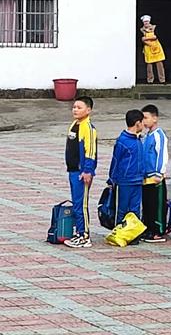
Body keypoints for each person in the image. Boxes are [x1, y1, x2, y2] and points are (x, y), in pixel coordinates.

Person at [64, 96, 97, 249]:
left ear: (88, 110)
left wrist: (88, 170)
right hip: (72, 171)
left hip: (81, 172)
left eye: (79, 107)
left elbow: (90, 151)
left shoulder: (88, 128)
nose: (75, 110)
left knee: (81, 204)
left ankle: (84, 235)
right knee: (76, 203)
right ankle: (78, 233)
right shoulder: (74, 125)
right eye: (74, 107)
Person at [109, 110, 145, 227]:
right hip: (125, 181)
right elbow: (115, 160)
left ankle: (133, 234)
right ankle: (119, 231)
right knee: (122, 209)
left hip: (138, 180)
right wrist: (112, 179)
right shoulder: (122, 141)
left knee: (135, 210)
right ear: (138, 123)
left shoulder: (138, 140)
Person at [141, 104, 169, 243]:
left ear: (155, 118)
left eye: (146, 118)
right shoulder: (146, 136)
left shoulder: (159, 135)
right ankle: (148, 228)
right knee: (148, 205)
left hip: (155, 177)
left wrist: (159, 172)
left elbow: (161, 155)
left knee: (157, 205)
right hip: (146, 177)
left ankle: (158, 230)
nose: (144, 121)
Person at [140, 14, 166, 84]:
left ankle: (162, 79)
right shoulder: (141, 30)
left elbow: (156, 37)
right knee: (149, 65)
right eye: (145, 22)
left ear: (149, 22)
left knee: (159, 64)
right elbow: (141, 39)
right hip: (148, 48)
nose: (146, 23)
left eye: (147, 22)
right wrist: (147, 41)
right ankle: (150, 80)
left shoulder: (155, 28)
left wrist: (146, 39)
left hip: (156, 47)